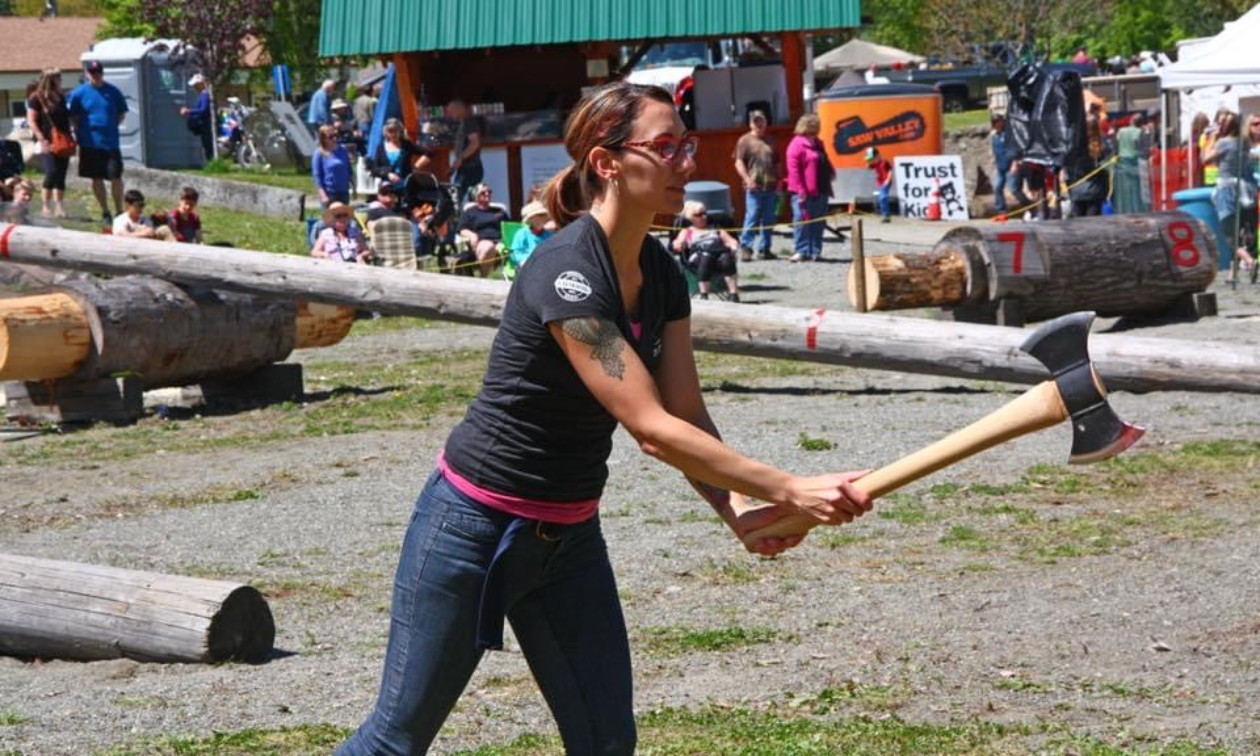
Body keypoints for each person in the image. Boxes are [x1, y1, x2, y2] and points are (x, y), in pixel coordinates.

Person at [333, 80, 871, 756]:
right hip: (471, 530)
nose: (687, 163)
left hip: (568, 540)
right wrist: (790, 489)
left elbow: (687, 414)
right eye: (666, 147)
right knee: (396, 739)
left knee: (607, 743)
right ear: (607, 163)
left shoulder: (662, 274)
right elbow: (649, 427)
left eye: (686, 146)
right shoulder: (566, 273)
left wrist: (735, 508)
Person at [67, 59, 128, 224]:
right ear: (87, 73)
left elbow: (122, 113)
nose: (96, 75)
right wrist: (78, 131)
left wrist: (110, 126)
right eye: (92, 72)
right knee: (96, 178)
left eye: (98, 72)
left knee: (116, 176)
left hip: (110, 143)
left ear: (102, 73)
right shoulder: (78, 93)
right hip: (89, 143)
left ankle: (119, 211)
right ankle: (105, 211)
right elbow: (73, 116)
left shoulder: (113, 91)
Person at [1205, 112, 1250, 281]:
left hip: (1226, 189)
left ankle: (1249, 261)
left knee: (1228, 233)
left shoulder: (1224, 143)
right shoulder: (1243, 142)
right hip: (1244, 189)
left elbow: (1205, 158)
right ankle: (1233, 272)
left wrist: (1211, 139)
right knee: (1237, 230)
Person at [785, 114, 834, 262]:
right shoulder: (796, 144)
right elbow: (793, 169)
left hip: (821, 188)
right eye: (812, 124)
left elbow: (824, 161)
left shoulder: (819, 143)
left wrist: (830, 174)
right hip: (804, 191)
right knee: (801, 220)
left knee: (818, 221)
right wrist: (800, 190)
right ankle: (801, 250)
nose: (816, 127)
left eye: (816, 124)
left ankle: (815, 251)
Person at [733, 110, 779, 261]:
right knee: (752, 217)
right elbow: (738, 162)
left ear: (766, 122)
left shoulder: (772, 140)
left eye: (761, 121)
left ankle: (765, 249)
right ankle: (746, 248)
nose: (759, 124)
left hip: (771, 186)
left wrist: (780, 179)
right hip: (754, 186)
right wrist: (747, 179)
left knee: (769, 219)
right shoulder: (744, 140)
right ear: (750, 123)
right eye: (755, 121)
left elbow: (777, 162)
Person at [25, 67, 72, 218]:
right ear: (51, 80)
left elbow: (65, 119)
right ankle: (45, 206)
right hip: (46, 140)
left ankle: (59, 206)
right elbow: (31, 120)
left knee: (61, 174)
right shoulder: (36, 98)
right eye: (59, 78)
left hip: (62, 141)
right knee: (51, 172)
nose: (61, 81)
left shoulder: (60, 97)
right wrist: (41, 138)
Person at [672, 199, 740, 301]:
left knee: (727, 258)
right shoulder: (687, 231)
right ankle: (704, 295)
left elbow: (731, 241)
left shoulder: (715, 228)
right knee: (706, 257)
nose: (703, 217)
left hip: (718, 256)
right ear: (691, 217)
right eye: (698, 215)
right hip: (698, 258)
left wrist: (733, 246)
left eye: (704, 213)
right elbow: (676, 244)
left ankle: (733, 294)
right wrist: (680, 244)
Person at [1064, 116, 1111, 217]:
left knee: (1078, 226)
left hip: (1076, 192)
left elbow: (1068, 169)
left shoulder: (1075, 144)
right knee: (1093, 227)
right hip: (1095, 193)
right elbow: (1106, 169)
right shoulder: (1102, 145)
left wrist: (1069, 189)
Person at [457, 183, 507, 277]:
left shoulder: (499, 211)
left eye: (489, 192)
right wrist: (472, 235)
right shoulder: (470, 212)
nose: (487, 194)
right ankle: (484, 276)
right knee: (488, 246)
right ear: (476, 196)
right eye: (483, 193)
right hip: (481, 242)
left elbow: (509, 226)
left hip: (501, 242)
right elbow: (461, 229)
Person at [369, 118, 429, 193]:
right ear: (386, 132)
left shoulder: (407, 145)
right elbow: (375, 169)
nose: (393, 134)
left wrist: (416, 166)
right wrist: (388, 174)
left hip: (406, 187)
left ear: (400, 131)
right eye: (390, 131)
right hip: (388, 189)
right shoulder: (380, 148)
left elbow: (428, 153)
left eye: (396, 130)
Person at [447, 98, 484, 202]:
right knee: (461, 198)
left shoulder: (469, 121)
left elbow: (475, 142)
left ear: (459, 109)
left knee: (455, 199)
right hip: (468, 167)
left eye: (451, 111)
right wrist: (453, 167)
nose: (449, 114)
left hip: (470, 168)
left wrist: (460, 158)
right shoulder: (464, 122)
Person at [1112, 113, 1147, 214]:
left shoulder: (1121, 131)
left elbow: (1116, 144)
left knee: (1124, 189)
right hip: (1134, 163)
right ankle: (1136, 209)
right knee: (1136, 189)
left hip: (1122, 163)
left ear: (1131, 121)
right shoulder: (1140, 132)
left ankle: (1123, 209)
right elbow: (1143, 149)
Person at [312, 124, 352, 208]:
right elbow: (317, 176)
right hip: (329, 193)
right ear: (323, 139)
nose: (334, 138)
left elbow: (349, 169)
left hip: (343, 192)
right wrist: (323, 195)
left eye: (335, 135)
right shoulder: (319, 153)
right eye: (330, 137)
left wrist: (354, 187)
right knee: (330, 220)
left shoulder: (342, 149)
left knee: (344, 218)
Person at [507, 200, 553, 271]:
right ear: (530, 219)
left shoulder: (549, 235)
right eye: (539, 215)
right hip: (526, 265)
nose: (542, 218)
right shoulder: (522, 234)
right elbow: (514, 254)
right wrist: (526, 258)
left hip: (545, 264)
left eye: (543, 215)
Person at [180, 73, 214, 161]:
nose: (194, 87)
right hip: (204, 124)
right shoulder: (202, 95)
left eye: (195, 85)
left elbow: (203, 109)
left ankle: (211, 162)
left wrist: (189, 111)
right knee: (205, 145)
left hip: (205, 125)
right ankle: (209, 161)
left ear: (200, 84)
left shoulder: (204, 95)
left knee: (208, 145)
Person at [990, 113, 1012, 215]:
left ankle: (1029, 207)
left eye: (997, 122)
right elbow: (995, 150)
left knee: (1014, 189)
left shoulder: (1008, 133)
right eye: (993, 122)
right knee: (997, 187)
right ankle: (1001, 210)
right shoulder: (994, 136)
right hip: (1000, 166)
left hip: (1010, 165)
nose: (995, 124)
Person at [864, 146, 893, 224]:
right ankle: (885, 215)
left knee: (883, 197)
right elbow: (867, 167)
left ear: (877, 155)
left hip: (886, 182)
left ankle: (886, 215)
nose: (872, 160)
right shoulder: (875, 164)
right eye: (871, 158)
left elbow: (890, 170)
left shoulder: (884, 162)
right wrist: (869, 161)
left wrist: (888, 179)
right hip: (881, 183)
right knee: (882, 198)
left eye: (873, 158)